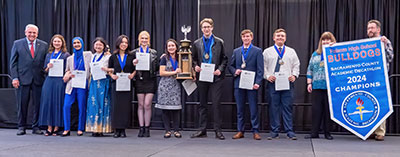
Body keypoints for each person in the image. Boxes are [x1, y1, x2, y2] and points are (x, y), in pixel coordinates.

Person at [190, 18, 228, 140]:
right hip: (202, 77)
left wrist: (220, 70)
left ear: (212, 27)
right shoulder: (196, 43)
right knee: (202, 104)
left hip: (216, 77)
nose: (206, 29)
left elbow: (224, 59)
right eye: (204, 27)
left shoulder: (219, 42)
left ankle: (218, 131)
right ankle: (202, 129)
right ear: (201, 29)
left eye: (208, 27)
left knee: (216, 104)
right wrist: (195, 66)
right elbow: (193, 59)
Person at [10, 24, 48, 135]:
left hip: (38, 79)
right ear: (25, 32)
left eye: (34, 33)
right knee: (22, 104)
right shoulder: (17, 44)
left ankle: (36, 127)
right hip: (22, 79)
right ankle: (21, 126)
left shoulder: (44, 45)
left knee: (38, 104)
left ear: (37, 34)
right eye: (30, 32)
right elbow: (13, 63)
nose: (32, 34)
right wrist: (15, 78)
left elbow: (46, 62)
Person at [263, 28, 300, 140]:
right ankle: (274, 131)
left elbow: (296, 65)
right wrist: (268, 76)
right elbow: (262, 66)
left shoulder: (291, 51)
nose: (280, 37)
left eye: (282, 36)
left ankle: (289, 131)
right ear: (274, 38)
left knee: (287, 107)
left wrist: (294, 75)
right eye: (278, 36)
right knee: (274, 107)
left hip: (287, 83)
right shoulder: (267, 51)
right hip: (273, 83)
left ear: (285, 38)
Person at [228, 29, 264, 140]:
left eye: (248, 36)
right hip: (239, 83)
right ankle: (240, 131)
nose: (246, 38)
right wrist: (235, 71)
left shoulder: (257, 51)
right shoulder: (236, 51)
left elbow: (260, 69)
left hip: (252, 84)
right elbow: (230, 66)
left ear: (251, 37)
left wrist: (258, 82)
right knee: (240, 109)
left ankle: (255, 131)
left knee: (253, 108)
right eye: (244, 37)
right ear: (241, 38)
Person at [305, 32, 336, 140]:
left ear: (332, 40)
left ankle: (327, 133)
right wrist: (309, 83)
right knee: (316, 110)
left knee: (328, 111)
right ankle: (314, 133)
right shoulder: (315, 54)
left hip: (330, 87)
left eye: (328, 39)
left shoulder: (336, 53)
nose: (325, 41)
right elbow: (310, 69)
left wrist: (335, 49)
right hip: (317, 85)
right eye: (323, 39)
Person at [366, 19, 394, 141]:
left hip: (380, 78)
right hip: (367, 79)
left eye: (372, 28)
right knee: (369, 103)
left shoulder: (385, 41)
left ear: (378, 29)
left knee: (380, 104)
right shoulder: (364, 44)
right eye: (368, 28)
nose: (370, 30)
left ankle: (380, 131)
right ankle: (371, 130)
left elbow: (390, 57)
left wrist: (384, 45)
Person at [38, 34, 70, 136]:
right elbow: (45, 70)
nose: (57, 43)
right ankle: (49, 127)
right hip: (49, 81)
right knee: (48, 103)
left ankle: (56, 127)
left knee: (57, 103)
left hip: (59, 81)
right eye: (55, 41)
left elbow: (68, 69)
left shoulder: (66, 55)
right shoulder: (48, 55)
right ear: (52, 42)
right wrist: (48, 67)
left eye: (59, 41)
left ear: (62, 43)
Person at [62, 37, 92, 136]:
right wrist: (67, 75)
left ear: (82, 44)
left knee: (81, 107)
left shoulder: (88, 55)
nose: (76, 44)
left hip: (83, 85)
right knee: (66, 106)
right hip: (72, 85)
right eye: (74, 43)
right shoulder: (70, 58)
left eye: (78, 42)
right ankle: (66, 128)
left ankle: (80, 128)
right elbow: (67, 70)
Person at [132, 31, 159, 137]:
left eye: (146, 38)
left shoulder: (153, 52)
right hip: (139, 79)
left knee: (147, 104)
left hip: (150, 79)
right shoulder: (134, 52)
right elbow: (129, 68)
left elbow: (156, 67)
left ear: (149, 40)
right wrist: (133, 63)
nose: (144, 40)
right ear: (139, 40)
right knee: (140, 105)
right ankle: (141, 127)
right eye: (142, 38)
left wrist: (162, 60)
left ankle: (147, 128)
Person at [108, 35, 135, 138]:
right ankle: (116, 129)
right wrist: (112, 75)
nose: (124, 44)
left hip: (127, 84)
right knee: (116, 107)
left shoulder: (132, 56)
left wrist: (133, 74)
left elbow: (135, 68)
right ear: (118, 43)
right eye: (122, 42)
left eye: (126, 43)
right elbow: (110, 69)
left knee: (125, 107)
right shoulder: (113, 57)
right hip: (116, 83)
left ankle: (123, 130)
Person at [155, 39, 184, 138]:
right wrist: (175, 72)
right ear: (167, 48)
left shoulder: (180, 57)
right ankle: (167, 130)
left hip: (176, 85)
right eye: (169, 46)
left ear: (176, 47)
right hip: (165, 86)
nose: (171, 47)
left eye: (173, 45)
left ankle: (176, 130)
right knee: (165, 110)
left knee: (176, 109)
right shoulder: (164, 58)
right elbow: (162, 73)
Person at [85, 37, 112, 137]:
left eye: (100, 45)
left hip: (104, 81)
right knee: (93, 104)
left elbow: (112, 69)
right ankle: (93, 128)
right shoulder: (92, 56)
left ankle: (102, 128)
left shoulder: (108, 57)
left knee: (103, 104)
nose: (98, 46)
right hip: (94, 82)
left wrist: (106, 69)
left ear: (104, 46)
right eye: (96, 44)